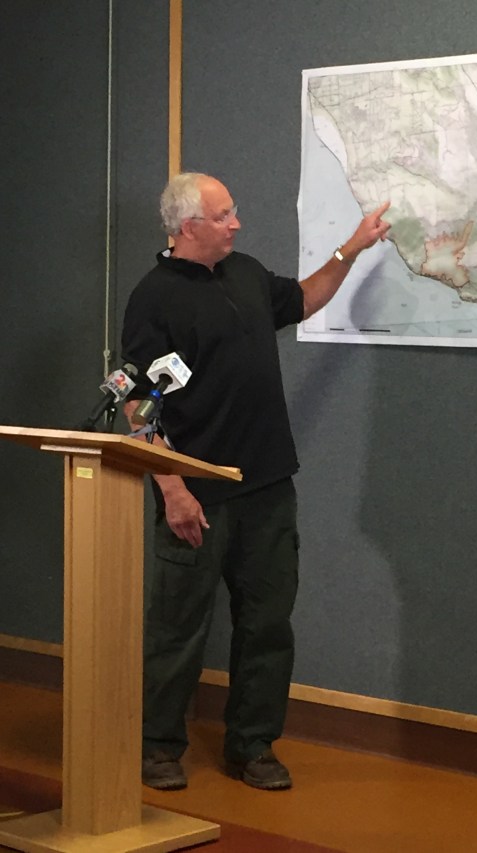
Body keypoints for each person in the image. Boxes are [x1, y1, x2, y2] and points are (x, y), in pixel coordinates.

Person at [121, 172, 390, 792]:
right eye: (223, 216)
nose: (236, 223)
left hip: (268, 486)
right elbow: (137, 406)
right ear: (188, 227)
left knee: (268, 624)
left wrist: (352, 247)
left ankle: (253, 746)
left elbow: (303, 299)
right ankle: (158, 746)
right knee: (177, 628)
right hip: (196, 492)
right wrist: (174, 488)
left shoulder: (243, 272)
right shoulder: (153, 297)